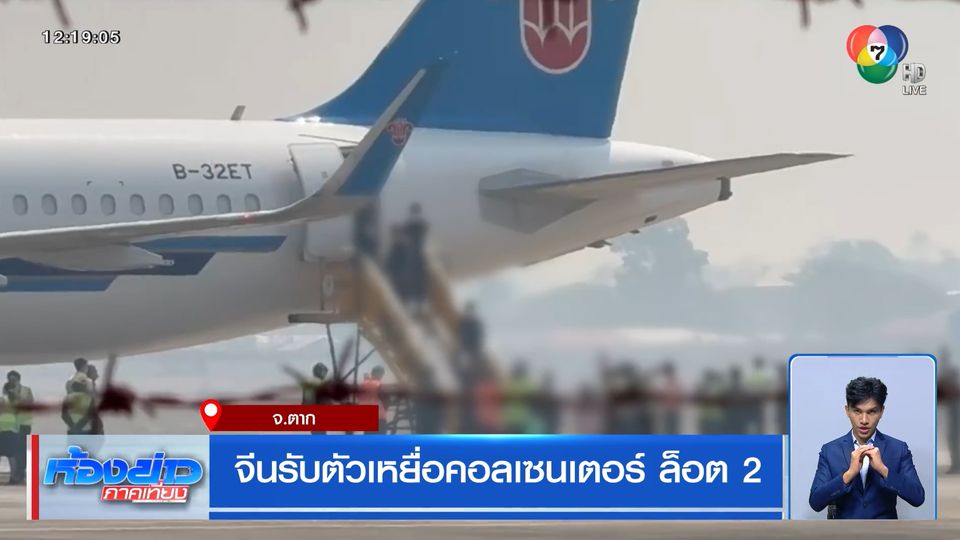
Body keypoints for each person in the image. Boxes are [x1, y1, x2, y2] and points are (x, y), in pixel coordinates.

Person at [809, 376, 925, 519]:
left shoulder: (898, 449)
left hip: (885, 530)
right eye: (857, 411)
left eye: (871, 412)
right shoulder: (830, 450)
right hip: (844, 530)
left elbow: (918, 497)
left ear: (881, 411)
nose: (864, 420)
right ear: (847, 410)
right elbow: (815, 502)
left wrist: (883, 470)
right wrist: (848, 475)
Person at [6, 371, 32, 483]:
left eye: (14, 380)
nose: (12, 382)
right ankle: (16, 474)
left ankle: (22, 472)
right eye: (10, 380)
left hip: (24, 423)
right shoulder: (7, 390)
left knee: (22, 448)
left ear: (18, 380)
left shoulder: (26, 390)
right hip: (11, 425)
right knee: (13, 449)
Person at [0, 383, 19, 484]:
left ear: (4, 390)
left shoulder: (2, 399)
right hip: (13, 429)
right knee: (12, 456)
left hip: (2, 429)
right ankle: (13, 478)